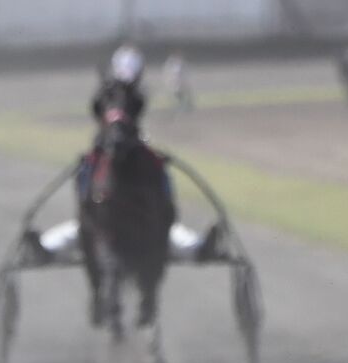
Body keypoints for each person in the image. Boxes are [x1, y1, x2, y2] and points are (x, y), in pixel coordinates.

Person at [20, 44, 223, 267]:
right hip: (105, 152)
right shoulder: (107, 92)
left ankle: (190, 239)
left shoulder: (136, 94)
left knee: (158, 186)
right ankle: (51, 245)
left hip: (133, 150)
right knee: (87, 204)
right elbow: (98, 109)